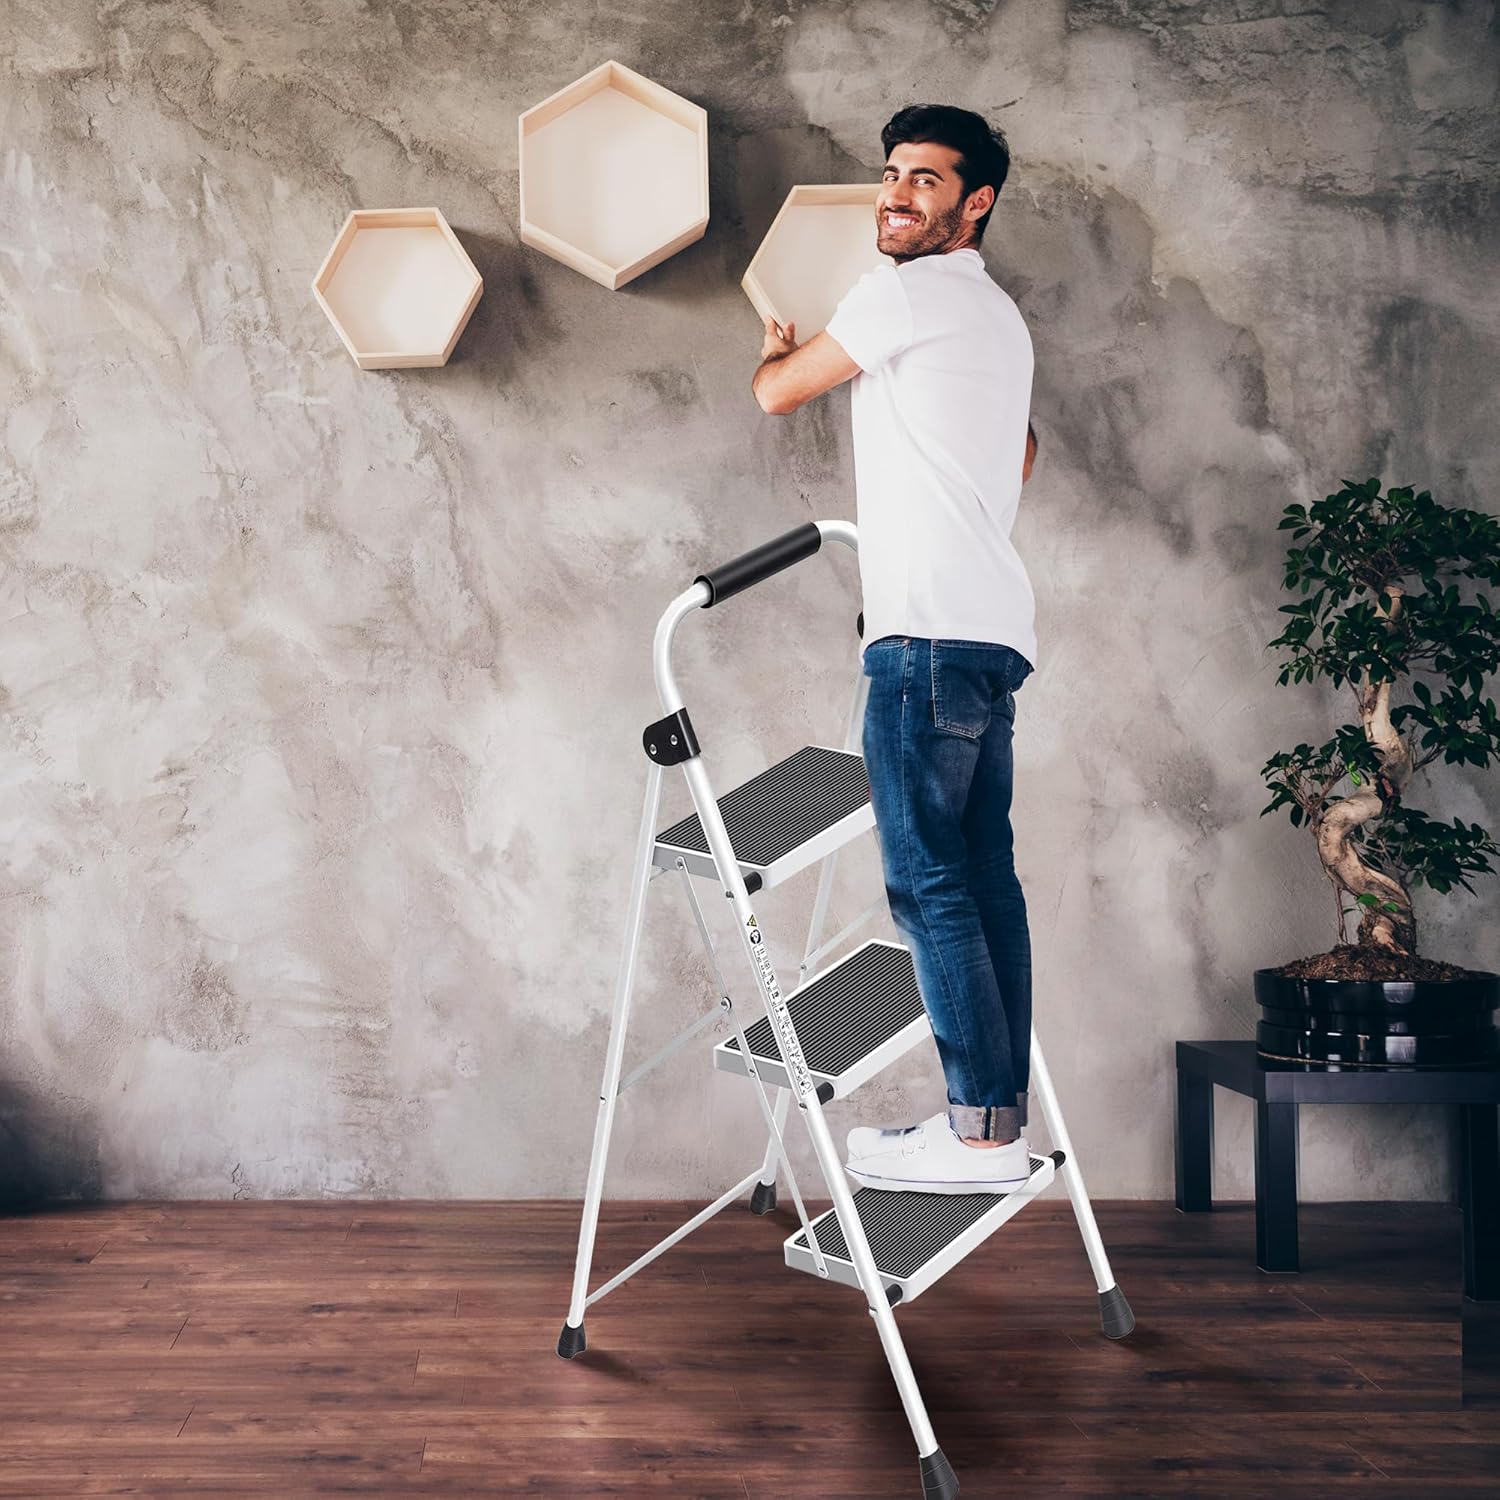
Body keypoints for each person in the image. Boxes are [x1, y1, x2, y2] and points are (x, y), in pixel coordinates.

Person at [752, 104, 1038, 1194]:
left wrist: (776, 352)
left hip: (922, 637)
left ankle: (977, 1138)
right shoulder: (998, 320)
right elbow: (1017, 460)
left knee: (930, 887)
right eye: (890, 175)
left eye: (925, 181)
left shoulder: (900, 293)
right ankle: (993, 1123)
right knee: (983, 881)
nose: (896, 194)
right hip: (988, 636)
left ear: (976, 205)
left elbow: (781, 394)